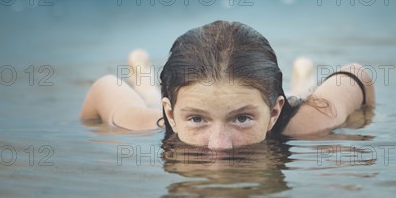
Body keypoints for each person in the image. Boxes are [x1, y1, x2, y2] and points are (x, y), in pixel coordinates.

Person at [80, 20, 375, 150]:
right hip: (161, 107)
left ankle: (303, 75)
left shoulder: (310, 121)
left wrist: (365, 124)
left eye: (242, 118)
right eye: (197, 119)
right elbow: (105, 87)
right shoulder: (150, 121)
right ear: (170, 115)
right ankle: (140, 70)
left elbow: (356, 74)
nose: (220, 146)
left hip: (288, 104)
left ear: (274, 113)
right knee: (147, 97)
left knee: (303, 95)